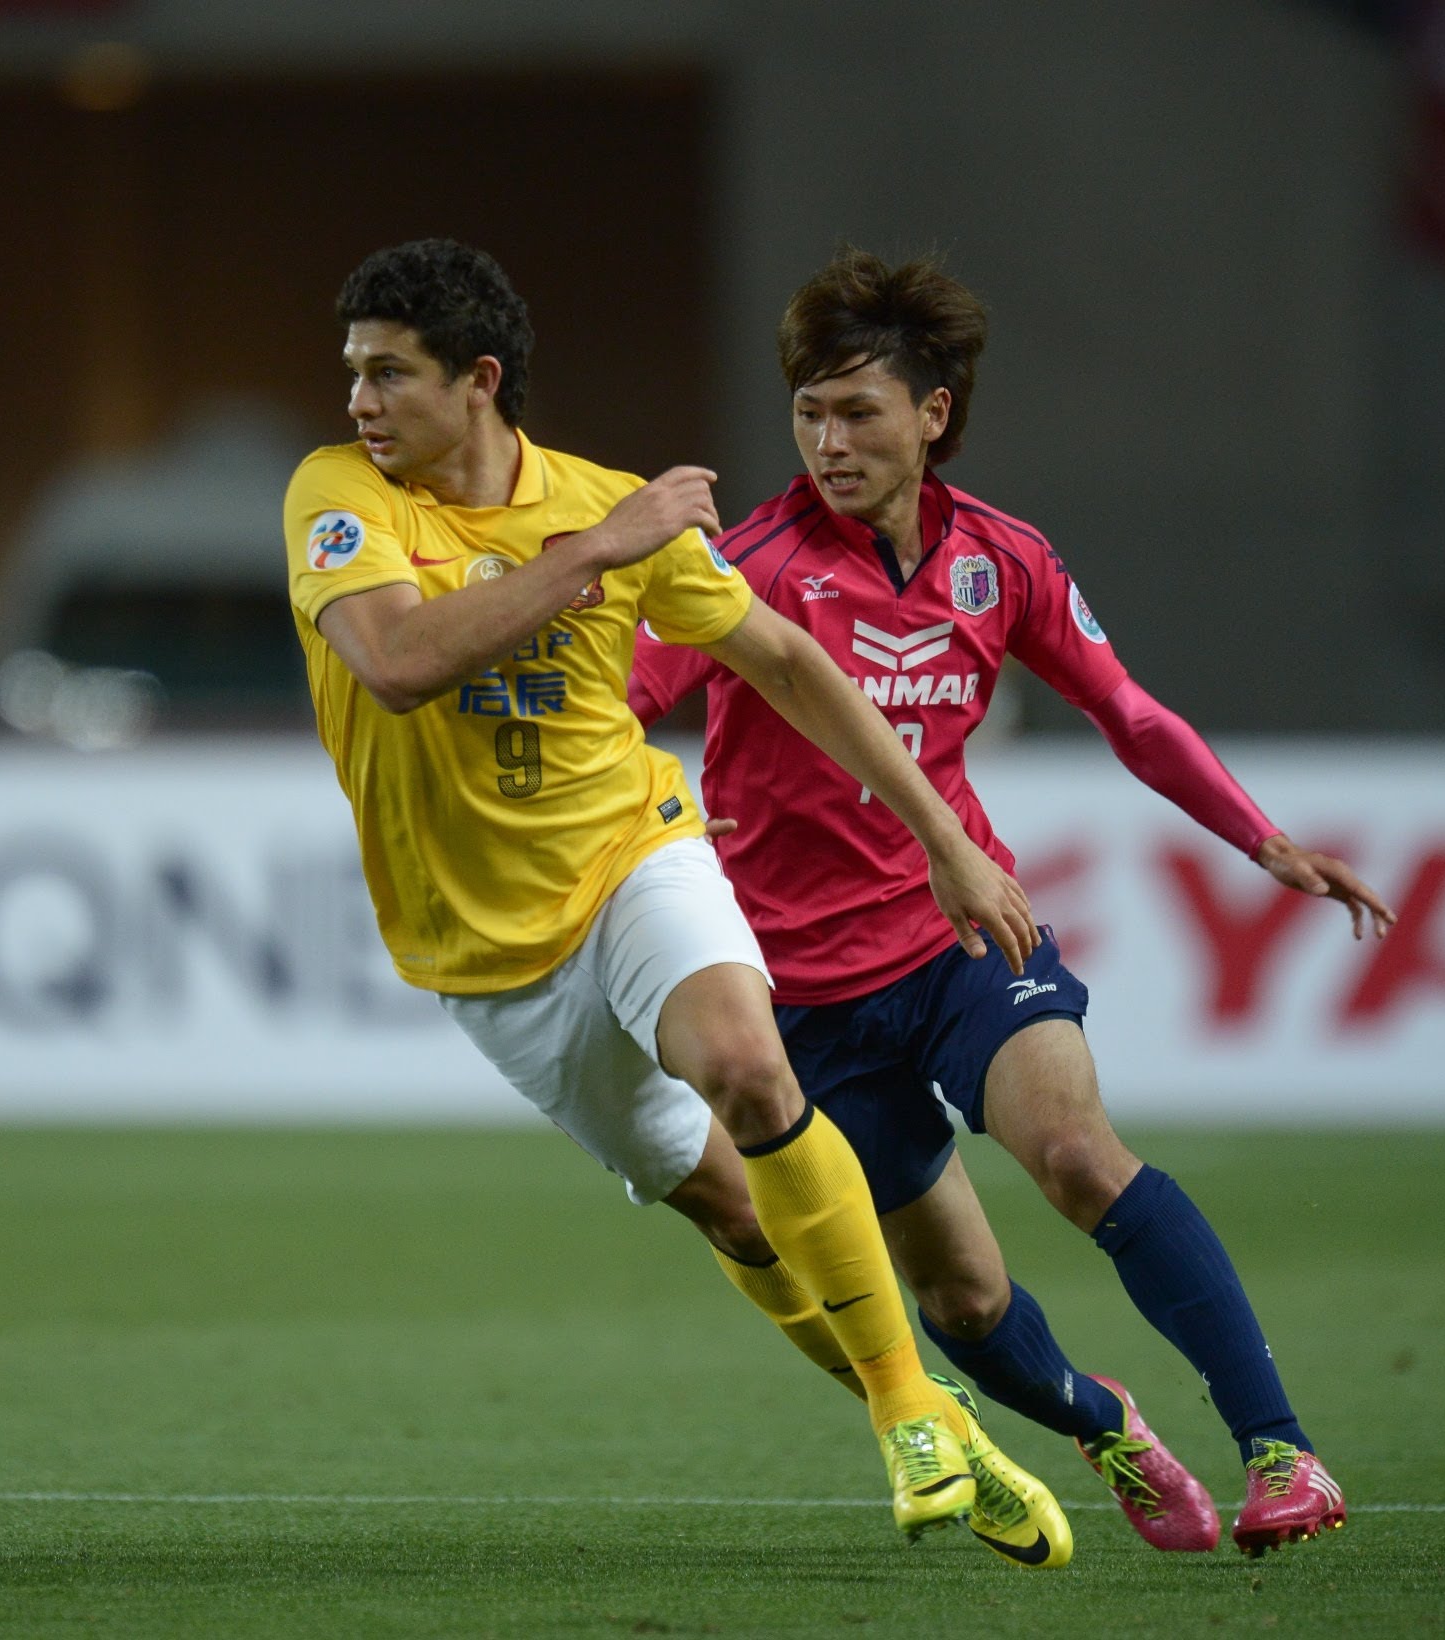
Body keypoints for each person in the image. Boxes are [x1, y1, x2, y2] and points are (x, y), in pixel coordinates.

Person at [284, 238, 1070, 1565]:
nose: (358, 402)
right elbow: (401, 663)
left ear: (479, 381)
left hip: (630, 850)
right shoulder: (342, 496)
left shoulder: (596, 501)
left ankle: (907, 1423)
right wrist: (602, 548)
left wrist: (941, 831)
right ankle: (937, 1409)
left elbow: (785, 660)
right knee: (736, 1207)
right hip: (485, 956)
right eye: (352, 373)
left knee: (754, 1076)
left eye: (388, 375)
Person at [629, 250, 1398, 1558]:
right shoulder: (741, 568)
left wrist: (1258, 837)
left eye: (860, 411)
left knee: (1080, 1158)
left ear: (935, 413)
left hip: (962, 937)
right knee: (966, 1299)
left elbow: (1129, 714)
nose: (829, 440)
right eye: (809, 413)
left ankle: (1286, 1453)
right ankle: (1109, 1427)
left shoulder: (1004, 559)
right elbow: (624, 703)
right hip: (801, 999)